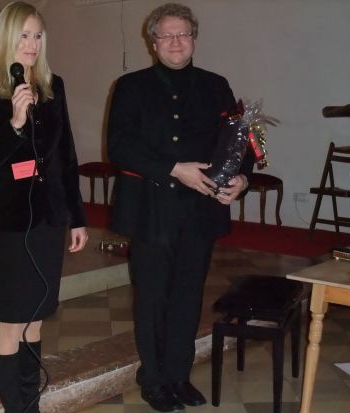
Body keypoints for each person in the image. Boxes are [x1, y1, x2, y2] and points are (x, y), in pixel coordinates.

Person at [107, 3, 253, 412]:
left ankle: (178, 375)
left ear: (194, 39)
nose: (175, 41)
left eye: (183, 34)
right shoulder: (131, 86)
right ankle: (153, 379)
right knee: (152, 298)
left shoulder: (215, 85)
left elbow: (238, 144)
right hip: (150, 209)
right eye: (167, 35)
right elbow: (119, 147)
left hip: (199, 210)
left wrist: (243, 177)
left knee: (188, 296)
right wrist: (174, 169)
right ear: (152, 42)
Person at [0, 2, 88, 412]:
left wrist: (77, 218)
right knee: (11, 322)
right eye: (23, 35)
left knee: (34, 319)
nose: (31, 44)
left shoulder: (54, 87)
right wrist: (14, 126)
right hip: (6, 227)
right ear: (5, 38)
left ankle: (29, 406)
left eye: (37, 35)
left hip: (47, 221)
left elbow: (65, 156)